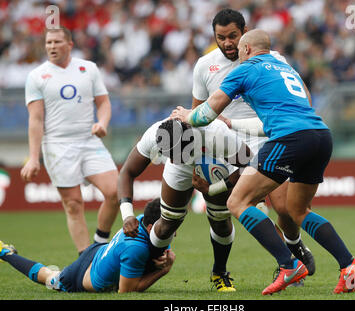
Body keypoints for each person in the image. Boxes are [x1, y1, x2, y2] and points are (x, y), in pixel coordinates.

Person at [171, 29, 355, 294]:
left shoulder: (244, 69)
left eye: (240, 48)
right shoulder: (284, 67)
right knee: (296, 211)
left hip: (290, 140)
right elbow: (279, 118)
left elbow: (205, 114)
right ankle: (349, 264)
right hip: (320, 136)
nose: (237, 53)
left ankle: (289, 265)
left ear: (248, 49)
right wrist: (233, 123)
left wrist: (187, 114)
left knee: (237, 202)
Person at [191, 8, 315, 275]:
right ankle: (230, 270)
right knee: (223, 214)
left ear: (244, 33)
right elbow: (197, 111)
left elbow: (302, 95)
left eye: (232, 36)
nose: (227, 43)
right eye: (221, 37)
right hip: (226, 146)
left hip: (266, 139)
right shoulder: (204, 66)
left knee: (283, 208)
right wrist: (197, 155)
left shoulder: (270, 58)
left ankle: (293, 249)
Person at [118, 117, 252, 292]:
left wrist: (213, 188)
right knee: (167, 225)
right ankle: (146, 269)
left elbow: (250, 164)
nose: (171, 160)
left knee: (220, 221)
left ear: (190, 140)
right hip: (181, 170)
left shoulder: (216, 133)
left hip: (213, 161)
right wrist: (127, 214)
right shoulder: (155, 135)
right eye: (168, 155)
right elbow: (126, 172)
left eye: (175, 155)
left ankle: (220, 273)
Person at [20, 27, 119, 255]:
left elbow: (103, 103)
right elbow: (35, 120)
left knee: (115, 191)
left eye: (56, 42)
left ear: (69, 44)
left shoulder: (89, 69)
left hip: (89, 140)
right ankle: (86, 259)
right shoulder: (36, 76)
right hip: (57, 145)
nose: (51, 46)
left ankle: (100, 240)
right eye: (48, 43)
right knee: (73, 204)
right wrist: (34, 158)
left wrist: (102, 123)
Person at [0, 198, 175, 293]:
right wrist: (163, 270)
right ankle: (5, 253)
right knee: (50, 278)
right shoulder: (136, 248)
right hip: (78, 277)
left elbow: (156, 242)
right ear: (152, 227)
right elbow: (126, 291)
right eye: (170, 228)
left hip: (98, 252)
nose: (174, 232)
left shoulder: (139, 220)